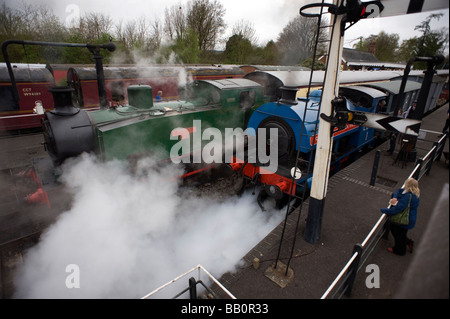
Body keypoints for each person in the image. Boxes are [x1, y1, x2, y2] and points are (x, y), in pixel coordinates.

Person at [381, 177, 420, 255]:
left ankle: (399, 250)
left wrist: (385, 211)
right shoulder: (415, 194)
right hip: (409, 219)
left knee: (396, 232)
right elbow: (399, 191)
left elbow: (398, 208)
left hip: (404, 219)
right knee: (401, 233)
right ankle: (408, 242)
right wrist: (395, 197)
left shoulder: (407, 196)